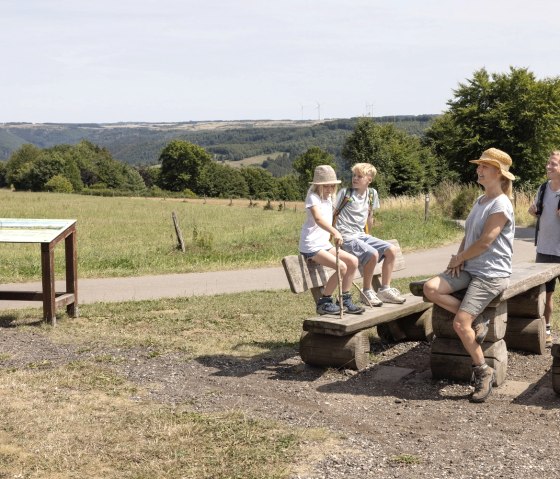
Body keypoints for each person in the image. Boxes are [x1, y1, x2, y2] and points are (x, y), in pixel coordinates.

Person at [423, 148, 515, 403]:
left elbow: (486, 241)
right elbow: (469, 235)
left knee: (459, 323)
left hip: (491, 273)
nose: (478, 170)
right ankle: (479, 320)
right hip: (470, 267)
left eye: (484, 167)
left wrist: (462, 258)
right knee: (430, 288)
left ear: (497, 173)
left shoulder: (501, 204)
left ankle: (483, 371)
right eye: (479, 166)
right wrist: (458, 258)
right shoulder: (480, 200)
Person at [333, 162, 406, 307]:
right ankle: (366, 291)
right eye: (354, 175)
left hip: (361, 235)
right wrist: (334, 236)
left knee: (391, 250)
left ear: (369, 179)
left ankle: (384, 290)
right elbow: (332, 214)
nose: (355, 178)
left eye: (359, 176)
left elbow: (369, 217)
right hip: (346, 237)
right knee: (372, 254)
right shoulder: (345, 193)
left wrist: (368, 236)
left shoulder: (372, 194)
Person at [299, 165, 365, 316]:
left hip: (323, 244)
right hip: (311, 246)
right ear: (317, 185)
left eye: (331, 186)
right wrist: (334, 232)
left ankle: (345, 300)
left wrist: (334, 234)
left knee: (353, 261)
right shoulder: (313, 198)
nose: (329, 189)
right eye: (325, 186)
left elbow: (331, 218)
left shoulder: (329, 199)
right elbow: (318, 219)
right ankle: (324, 302)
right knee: (341, 267)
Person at [528, 150, 560, 347]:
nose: (549, 166)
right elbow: (537, 210)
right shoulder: (542, 189)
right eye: (548, 163)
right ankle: (546, 330)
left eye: (553, 164)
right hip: (544, 250)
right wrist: (532, 211)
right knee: (545, 295)